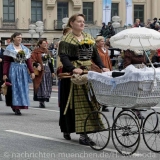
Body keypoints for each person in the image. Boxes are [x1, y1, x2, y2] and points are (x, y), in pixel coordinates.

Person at [58, 13, 109, 145]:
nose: (82, 23)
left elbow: (95, 55)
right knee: (73, 104)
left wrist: (102, 67)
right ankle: (71, 130)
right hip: (73, 73)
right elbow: (63, 57)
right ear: (72, 24)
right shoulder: (66, 40)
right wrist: (72, 69)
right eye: (79, 21)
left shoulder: (88, 37)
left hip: (87, 72)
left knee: (90, 101)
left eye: (83, 21)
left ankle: (85, 132)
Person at [3, 32, 35, 115]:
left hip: (23, 70)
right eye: (18, 37)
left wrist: (32, 71)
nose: (20, 39)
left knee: (22, 88)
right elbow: (6, 61)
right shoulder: (9, 48)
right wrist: (5, 73)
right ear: (13, 38)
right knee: (14, 88)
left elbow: (28, 61)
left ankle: (21, 105)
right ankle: (15, 106)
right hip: (13, 69)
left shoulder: (25, 49)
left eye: (21, 37)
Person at [31, 39, 55, 108]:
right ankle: (41, 101)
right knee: (40, 85)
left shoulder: (47, 52)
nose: (45, 44)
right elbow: (32, 60)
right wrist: (36, 65)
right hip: (40, 70)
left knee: (47, 85)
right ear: (40, 44)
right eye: (44, 43)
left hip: (47, 70)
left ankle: (45, 99)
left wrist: (52, 71)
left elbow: (50, 62)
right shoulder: (36, 52)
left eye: (46, 43)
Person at [123, 49, 146, 119]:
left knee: (141, 91)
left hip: (141, 72)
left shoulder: (142, 50)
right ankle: (137, 111)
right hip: (133, 73)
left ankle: (137, 106)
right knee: (134, 91)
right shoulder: (129, 51)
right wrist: (133, 70)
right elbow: (127, 64)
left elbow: (144, 61)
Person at [95, 36, 112, 112]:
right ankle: (98, 104)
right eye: (101, 41)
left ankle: (105, 105)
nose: (103, 42)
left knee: (106, 88)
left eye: (103, 41)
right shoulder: (96, 50)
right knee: (100, 88)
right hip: (100, 70)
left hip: (107, 70)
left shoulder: (106, 50)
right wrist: (99, 68)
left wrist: (110, 69)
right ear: (97, 42)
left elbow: (108, 60)